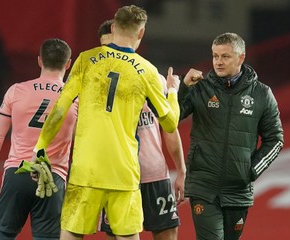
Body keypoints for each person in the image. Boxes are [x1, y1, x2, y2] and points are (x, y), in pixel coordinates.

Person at [32, 5, 180, 240]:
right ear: (141, 33)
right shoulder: (148, 71)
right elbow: (171, 123)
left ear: (113, 27)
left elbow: (59, 110)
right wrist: (172, 91)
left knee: (71, 234)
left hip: (86, 170)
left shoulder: (86, 60)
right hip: (123, 171)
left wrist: (39, 148)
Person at [178, 32, 284, 240]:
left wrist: (251, 170)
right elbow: (172, 117)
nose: (218, 62)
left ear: (241, 58)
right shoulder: (201, 87)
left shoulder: (262, 94)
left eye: (225, 56)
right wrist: (183, 88)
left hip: (238, 190)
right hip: (203, 185)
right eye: (215, 56)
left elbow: (275, 139)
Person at [98, 19, 186, 240]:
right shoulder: (94, 79)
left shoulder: (150, 76)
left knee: (167, 232)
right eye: (106, 46)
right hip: (116, 176)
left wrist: (181, 171)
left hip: (152, 173)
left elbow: (170, 128)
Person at [0, 38, 77, 240]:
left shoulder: (16, 91)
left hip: (17, 173)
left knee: (1, 236)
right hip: (53, 178)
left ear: (39, 61)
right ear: (68, 63)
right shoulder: (76, 99)